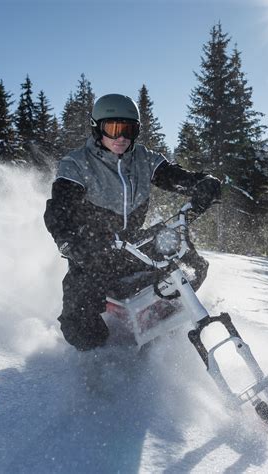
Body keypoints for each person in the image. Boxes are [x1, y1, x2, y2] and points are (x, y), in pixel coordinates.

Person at [44, 94, 221, 351]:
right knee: (80, 323)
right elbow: (59, 212)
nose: (121, 138)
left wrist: (202, 183)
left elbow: (173, 175)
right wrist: (72, 242)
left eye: (128, 130)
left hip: (134, 243)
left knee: (190, 263)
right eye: (113, 129)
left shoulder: (143, 158)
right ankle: (100, 359)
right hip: (95, 249)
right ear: (97, 128)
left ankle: (172, 323)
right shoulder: (77, 164)